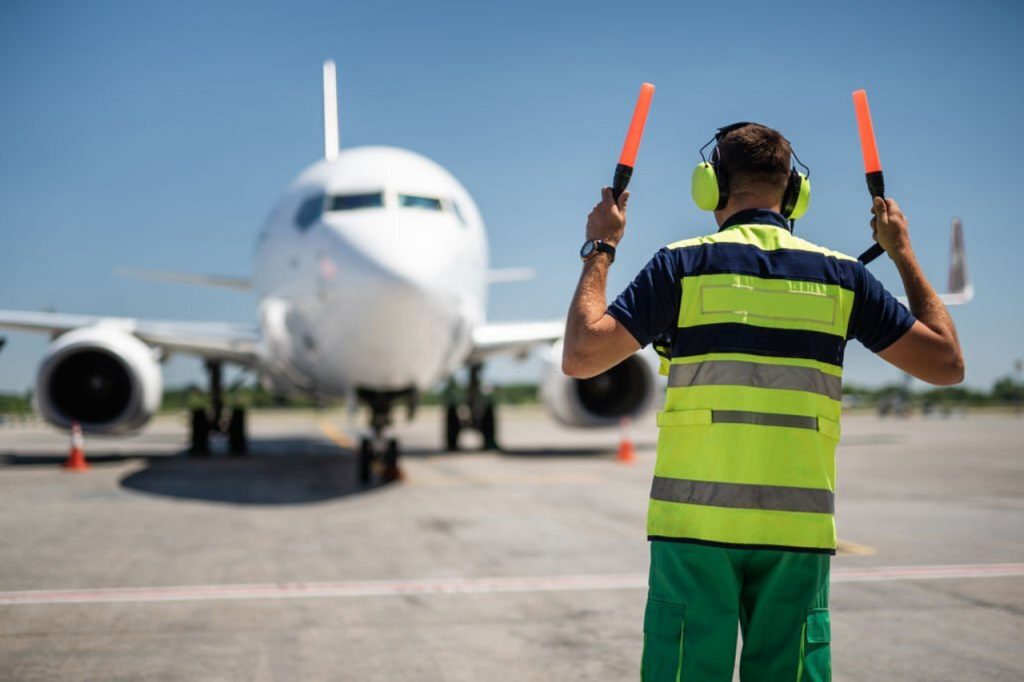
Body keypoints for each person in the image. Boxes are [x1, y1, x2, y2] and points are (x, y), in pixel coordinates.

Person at [562, 123, 964, 681]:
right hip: (796, 533)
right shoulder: (844, 278)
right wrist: (901, 254)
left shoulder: (681, 266)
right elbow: (947, 363)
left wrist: (601, 246)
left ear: (711, 187)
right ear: (795, 192)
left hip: (693, 529)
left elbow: (582, 355)